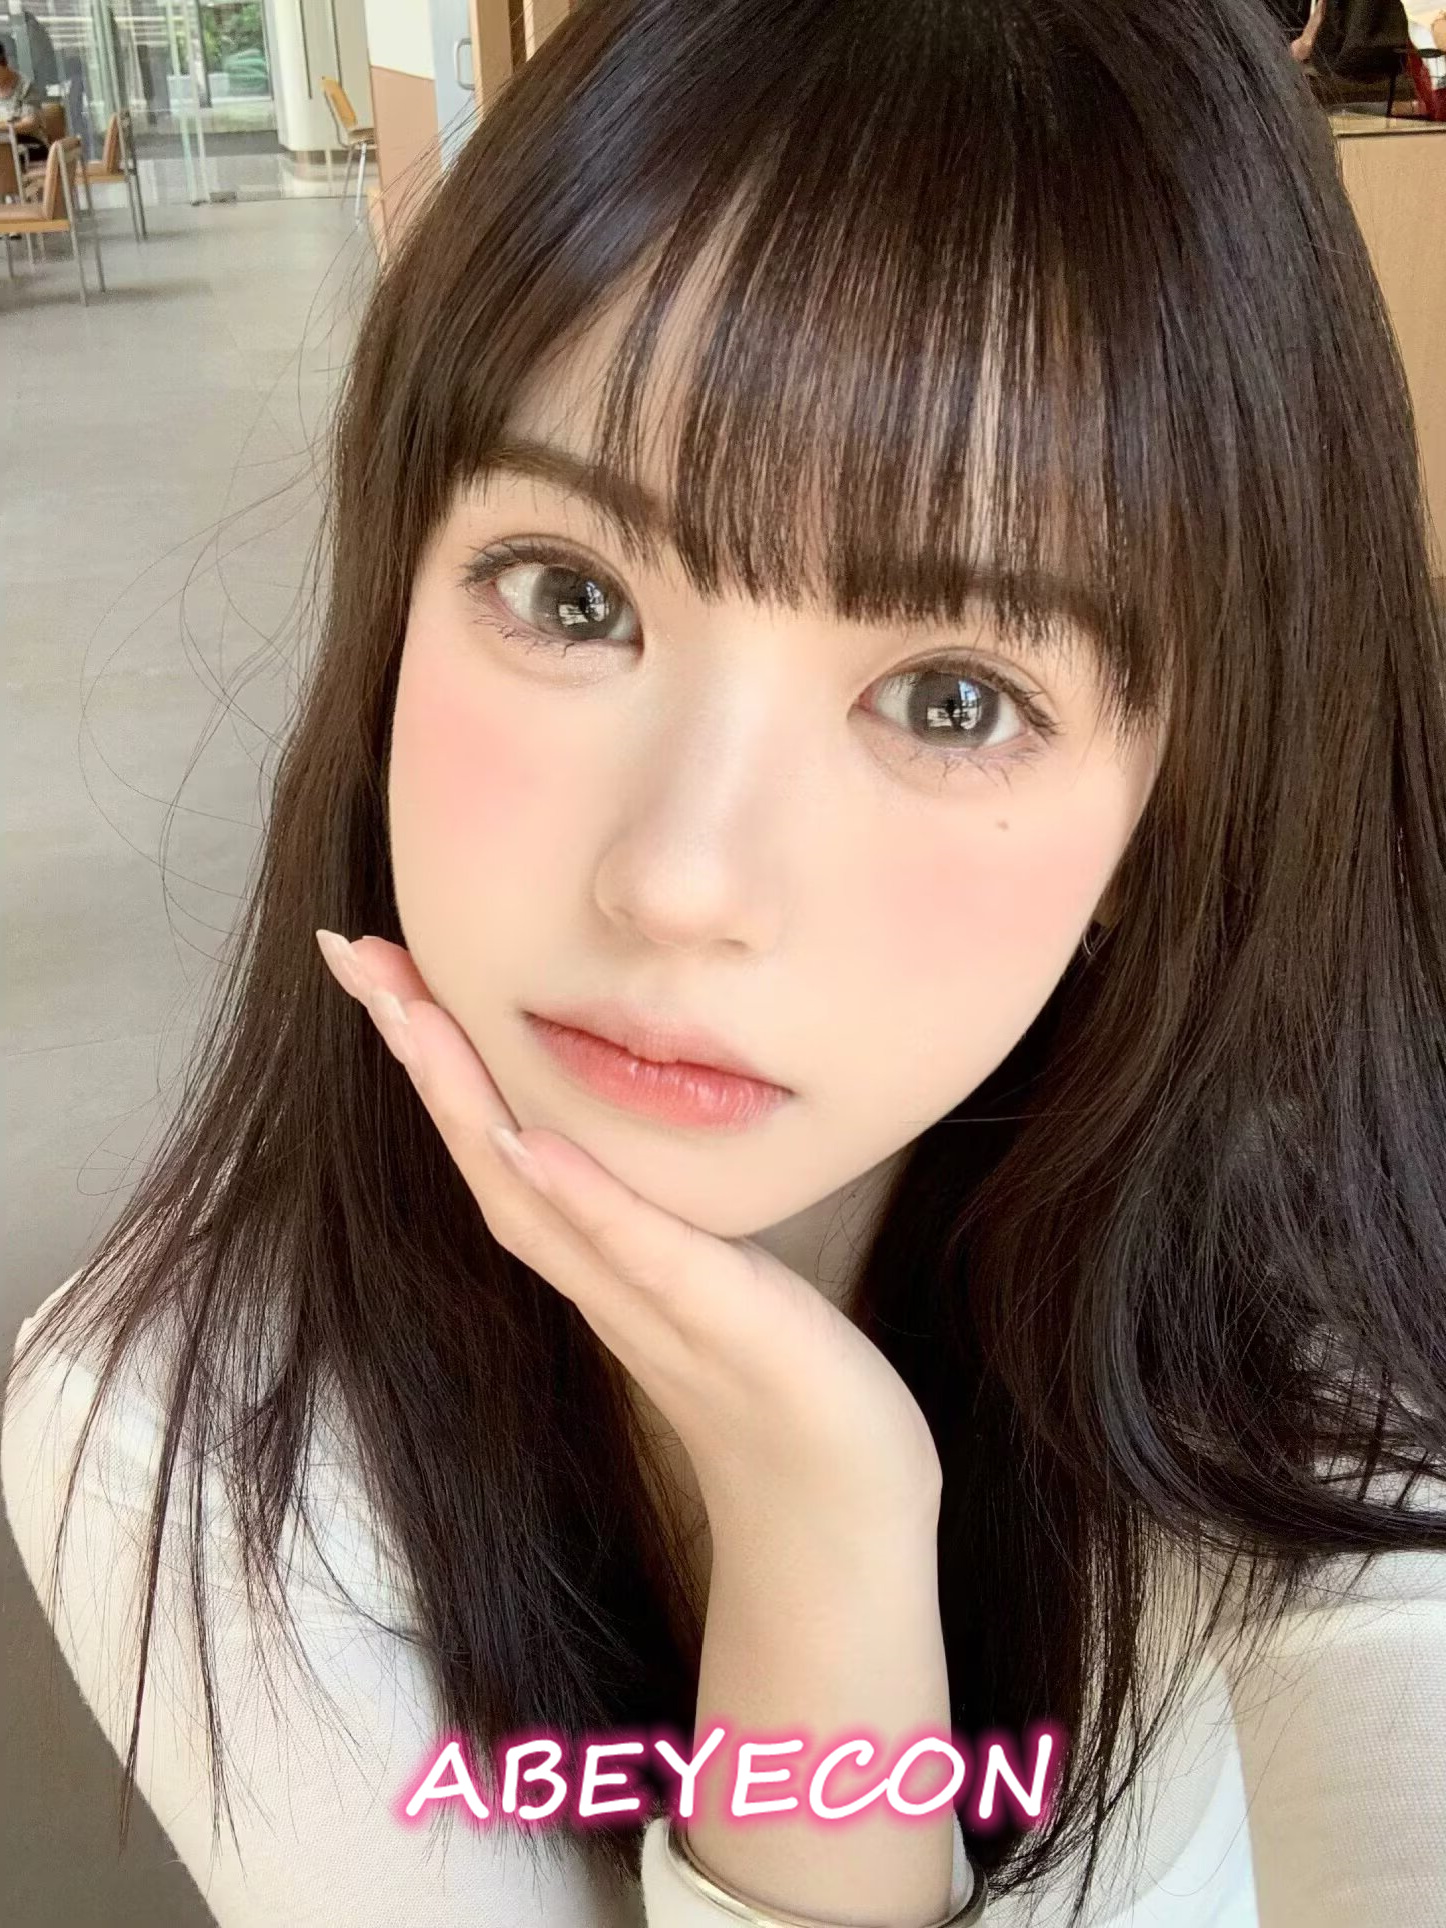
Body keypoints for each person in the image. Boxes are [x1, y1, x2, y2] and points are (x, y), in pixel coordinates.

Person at [4, 0, 1446, 1923]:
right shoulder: (195, 1438)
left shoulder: (1336, 1350)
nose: (681, 879)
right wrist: (817, 1522)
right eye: (573, 593)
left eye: (952, 696)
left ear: (1171, 815)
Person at [0, 37, 49, 169]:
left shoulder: (25, 87)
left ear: (3, 63)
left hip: (29, 144)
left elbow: (30, 124)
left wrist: (3, 127)